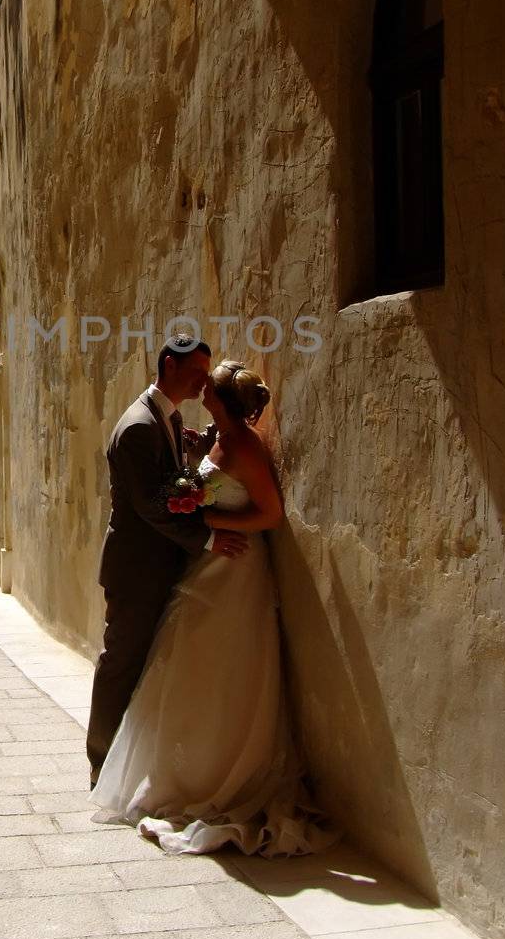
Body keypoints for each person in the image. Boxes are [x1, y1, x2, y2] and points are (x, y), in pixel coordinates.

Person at [89, 358, 337, 856]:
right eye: (198, 376)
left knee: (222, 665)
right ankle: (175, 767)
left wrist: (220, 531)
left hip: (234, 568)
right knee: (185, 665)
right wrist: (199, 489)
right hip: (203, 563)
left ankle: (217, 772)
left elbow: (269, 513)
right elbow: (193, 484)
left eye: (210, 384)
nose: (202, 388)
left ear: (222, 401)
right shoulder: (209, 436)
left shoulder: (244, 446)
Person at [86, 336, 249, 789]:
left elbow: (175, 469)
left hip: (158, 566)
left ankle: (126, 759)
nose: (202, 382)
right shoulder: (139, 425)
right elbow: (151, 505)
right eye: (197, 373)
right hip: (137, 570)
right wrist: (210, 539)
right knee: (121, 663)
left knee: (140, 664)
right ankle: (101, 761)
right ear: (169, 366)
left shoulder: (166, 417)